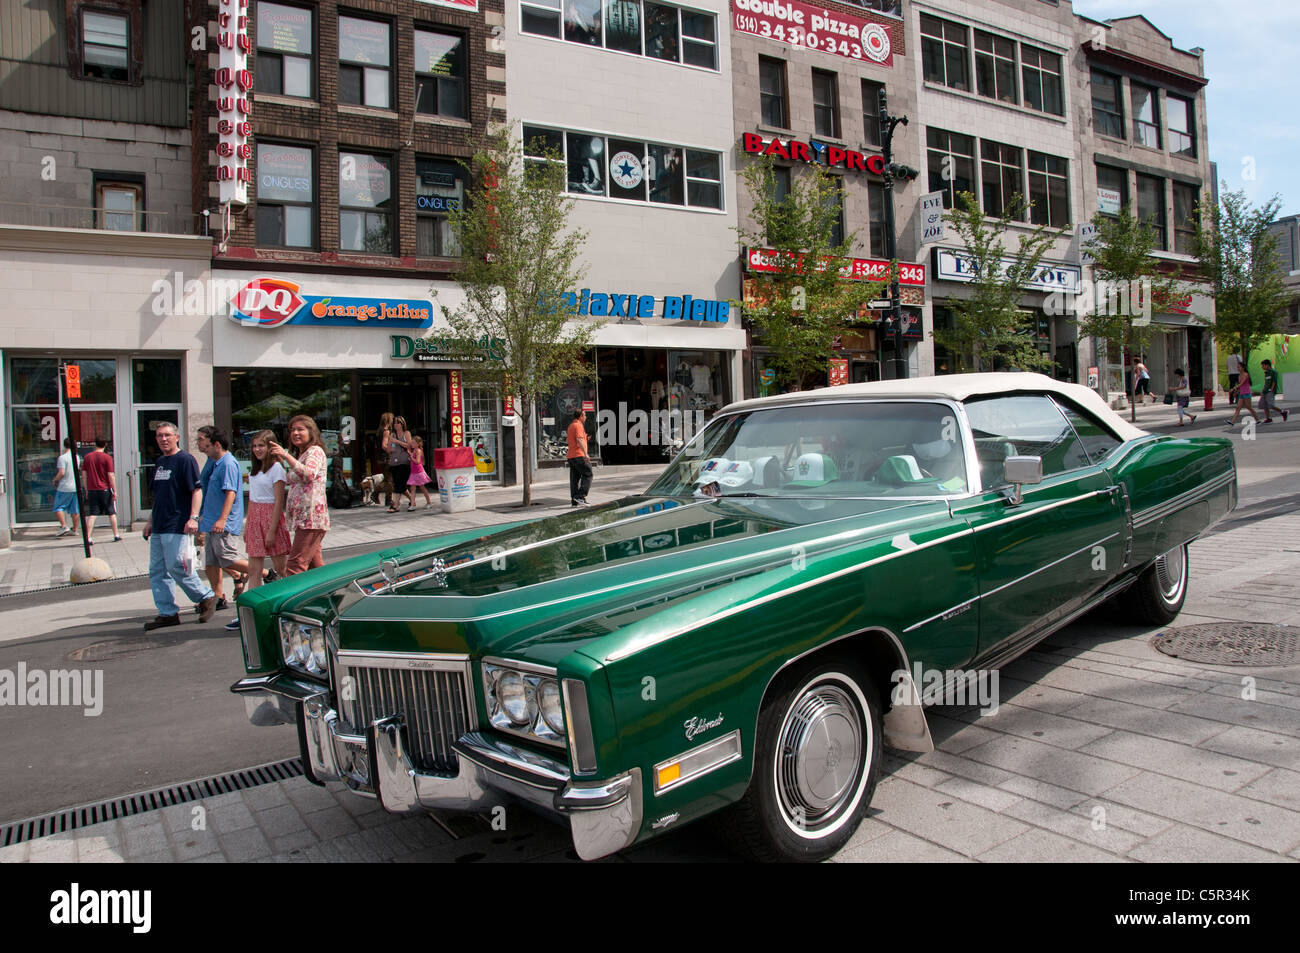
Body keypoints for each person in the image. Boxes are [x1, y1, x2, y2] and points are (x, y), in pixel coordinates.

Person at [142, 422, 215, 630]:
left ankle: (206, 596)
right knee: (157, 571)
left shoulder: (185, 460)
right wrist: (149, 522)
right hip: (159, 524)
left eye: (167, 435)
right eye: (159, 436)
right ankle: (167, 612)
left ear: (176, 437)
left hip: (177, 523)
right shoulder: (159, 463)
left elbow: (196, 490)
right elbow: (158, 496)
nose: (163, 439)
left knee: (176, 565)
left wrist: (193, 517)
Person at [227, 430, 291, 630]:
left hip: (271, 518)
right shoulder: (255, 470)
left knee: (282, 568)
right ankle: (253, 613)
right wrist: (248, 526)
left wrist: (272, 530)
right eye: (254, 446)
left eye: (261, 446)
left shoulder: (277, 469)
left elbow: (278, 501)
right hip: (255, 517)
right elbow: (253, 499)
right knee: (254, 570)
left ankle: (290, 605)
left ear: (271, 446)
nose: (257, 450)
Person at [197, 427, 249, 616]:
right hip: (210, 520)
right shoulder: (216, 462)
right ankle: (216, 597)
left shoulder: (227, 463)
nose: (200, 444)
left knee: (227, 558)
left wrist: (222, 519)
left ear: (216, 444)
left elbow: (230, 493)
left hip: (222, 523)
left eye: (203, 441)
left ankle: (265, 574)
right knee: (211, 561)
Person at [268, 415, 330, 575]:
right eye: (292, 430)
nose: (295, 433)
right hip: (304, 519)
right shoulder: (303, 454)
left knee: (295, 566)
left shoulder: (315, 451)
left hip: (311, 518)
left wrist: (286, 455)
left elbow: (309, 474)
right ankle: (332, 595)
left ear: (311, 432)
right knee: (314, 567)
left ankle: (289, 599)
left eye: (300, 429)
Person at [81, 437, 120, 541]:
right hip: (105, 489)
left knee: (93, 514)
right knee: (111, 512)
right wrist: (115, 490)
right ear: (105, 445)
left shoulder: (87, 457)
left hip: (92, 489)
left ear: (95, 444)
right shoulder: (107, 458)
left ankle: (88, 537)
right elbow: (111, 475)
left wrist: (86, 488)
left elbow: (84, 474)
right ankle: (116, 535)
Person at [51, 436, 81, 538]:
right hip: (75, 487)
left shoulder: (62, 458)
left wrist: (55, 479)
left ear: (64, 445)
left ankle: (64, 526)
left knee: (58, 507)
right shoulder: (76, 457)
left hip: (64, 487)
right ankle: (75, 529)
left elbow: (62, 473)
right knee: (75, 509)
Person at [384, 414, 413, 513]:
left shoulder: (406, 433)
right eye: (395, 423)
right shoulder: (392, 435)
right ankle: (412, 500)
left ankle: (396, 505)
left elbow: (409, 446)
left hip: (404, 462)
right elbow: (388, 449)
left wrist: (397, 442)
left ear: (402, 424)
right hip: (394, 462)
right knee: (399, 484)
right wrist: (390, 448)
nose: (396, 424)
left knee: (399, 483)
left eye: (398, 423)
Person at [567, 409, 592, 506]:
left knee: (574, 479)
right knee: (588, 473)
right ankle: (580, 496)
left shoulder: (571, 426)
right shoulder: (578, 425)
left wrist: (585, 438)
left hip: (571, 456)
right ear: (580, 416)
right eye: (584, 415)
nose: (585, 417)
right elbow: (579, 440)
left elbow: (574, 439)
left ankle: (574, 500)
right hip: (579, 455)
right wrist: (586, 454)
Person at [373, 412, 394, 509]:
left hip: (380, 458)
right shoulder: (386, 431)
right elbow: (384, 445)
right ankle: (385, 498)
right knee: (389, 480)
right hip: (385, 458)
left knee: (387, 479)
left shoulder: (379, 430)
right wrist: (392, 451)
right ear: (389, 420)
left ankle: (386, 498)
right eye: (392, 419)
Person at [407, 436, 434, 507]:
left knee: (422, 487)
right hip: (414, 472)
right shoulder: (414, 451)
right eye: (411, 442)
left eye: (413, 442)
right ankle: (412, 505)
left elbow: (417, 461)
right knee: (412, 488)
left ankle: (429, 502)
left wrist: (411, 457)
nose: (412, 444)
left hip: (418, 472)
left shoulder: (418, 451)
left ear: (418, 444)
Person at [1259, 359, 1289, 423]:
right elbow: (1266, 382)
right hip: (1265, 391)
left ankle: (1283, 412)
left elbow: (1274, 382)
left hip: (1270, 391)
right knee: (1264, 405)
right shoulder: (1266, 373)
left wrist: (1271, 390)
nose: (1262, 367)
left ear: (1267, 365)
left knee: (1271, 405)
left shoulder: (1273, 372)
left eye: (1263, 365)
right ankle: (1268, 418)